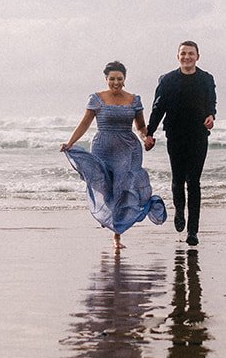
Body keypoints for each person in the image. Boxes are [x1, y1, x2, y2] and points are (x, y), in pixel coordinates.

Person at [61, 62, 167, 247]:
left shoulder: (134, 100)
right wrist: (70, 143)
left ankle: (117, 235)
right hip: (103, 147)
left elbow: (140, 126)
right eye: (112, 79)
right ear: (106, 79)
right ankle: (107, 216)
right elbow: (84, 123)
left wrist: (145, 138)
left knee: (122, 189)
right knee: (105, 187)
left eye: (119, 79)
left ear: (125, 79)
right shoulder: (96, 98)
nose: (116, 82)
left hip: (128, 149)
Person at [146, 40, 216, 246]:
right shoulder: (167, 80)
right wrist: (149, 133)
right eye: (183, 53)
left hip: (198, 136)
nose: (187, 57)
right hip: (175, 135)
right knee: (178, 179)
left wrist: (211, 115)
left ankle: (193, 231)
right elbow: (158, 109)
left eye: (191, 54)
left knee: (194, 182)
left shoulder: (206, 79)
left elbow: (211, 102)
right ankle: (179, 211)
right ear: (178, 56)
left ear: (197, 56)